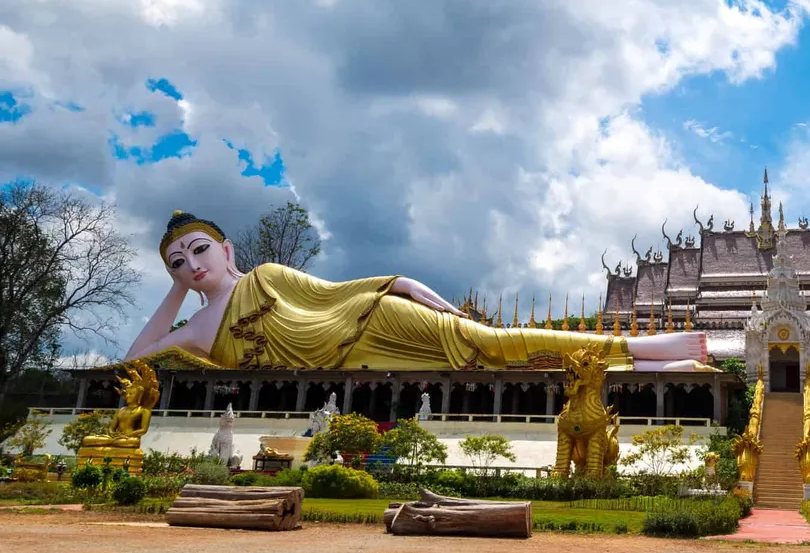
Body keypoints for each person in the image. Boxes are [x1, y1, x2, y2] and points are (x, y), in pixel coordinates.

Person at [125, 211, 708, 373]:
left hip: (373, 320)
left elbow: (340, 292)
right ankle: (642, 353)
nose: (192, 264)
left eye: (201, 249)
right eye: (179, 262)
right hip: (354, 366)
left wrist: (410, 288)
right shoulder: (199, 332)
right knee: (492, 359)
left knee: (490, 341)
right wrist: (173, 291)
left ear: (227, 251)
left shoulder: (266, 276)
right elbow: (131, 362)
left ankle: (647, 347)